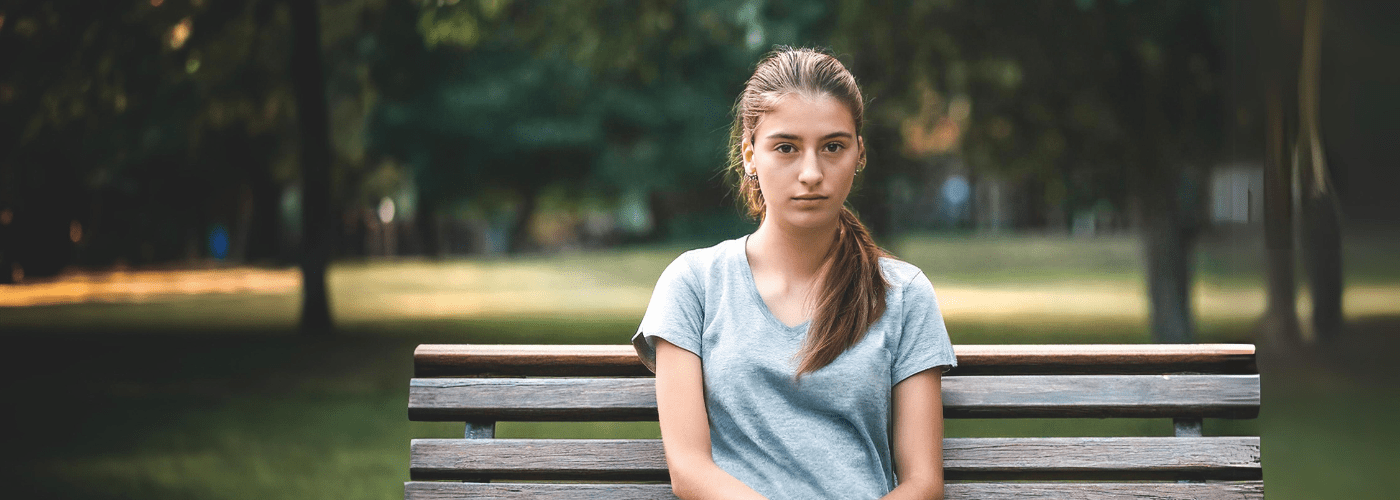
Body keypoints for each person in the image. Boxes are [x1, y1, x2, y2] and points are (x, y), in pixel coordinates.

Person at [630, 47, 956, 500]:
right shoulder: (694, 284)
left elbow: (923, 484)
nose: (810, 172)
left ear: (859, 154)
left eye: (833, 147)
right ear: (749, 154)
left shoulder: (904, 294)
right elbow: (689, 470)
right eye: (786, 147)